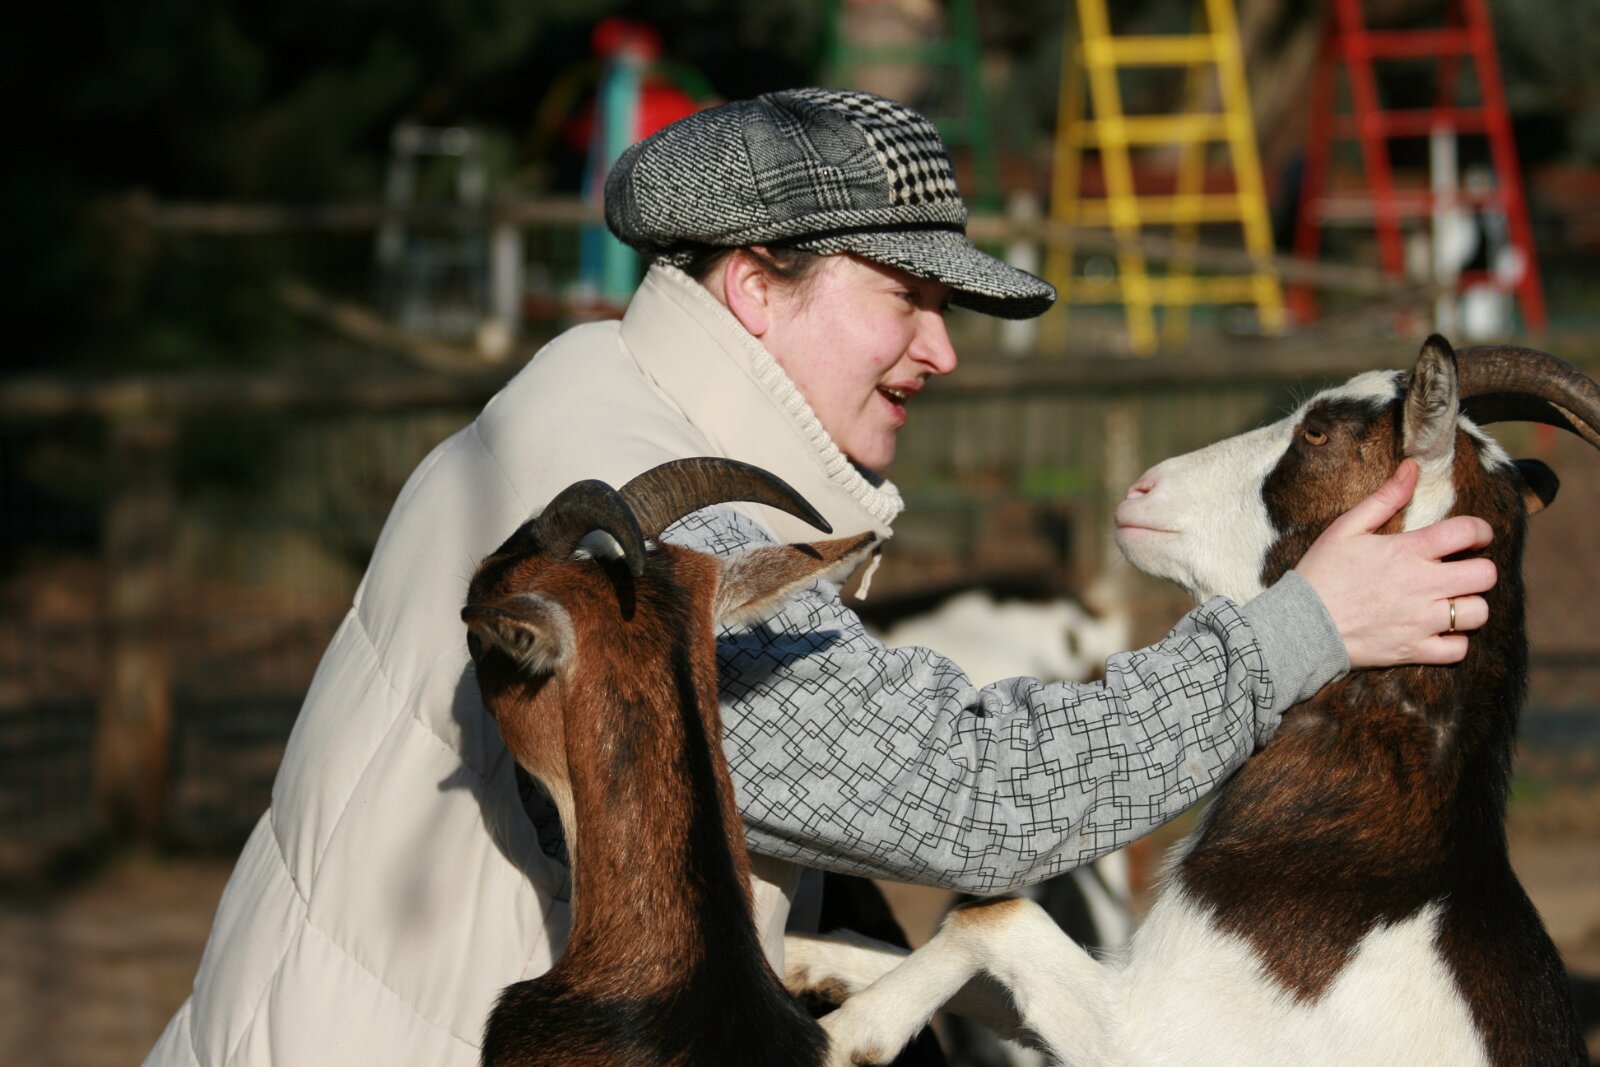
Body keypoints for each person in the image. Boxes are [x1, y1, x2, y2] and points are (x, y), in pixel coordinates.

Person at [146, 88, 1495, 1066]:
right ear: (755, 285)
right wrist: (1306, 627)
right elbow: (975, 798)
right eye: (906, 297)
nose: (942, 350)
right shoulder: (640, 537)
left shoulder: (592, 397)